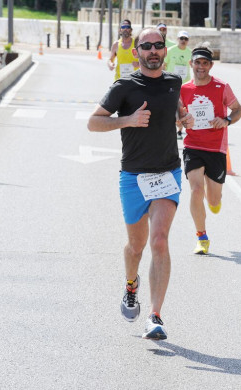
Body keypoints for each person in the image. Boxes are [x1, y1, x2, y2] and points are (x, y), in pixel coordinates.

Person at [88, 28, 194, 340]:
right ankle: (130, 284)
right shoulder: (124, 86)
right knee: (137, 245)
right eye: (146, 46)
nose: (153, 51)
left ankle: (155, 315)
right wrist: (126, 120)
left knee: (159, 240)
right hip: (133, 176)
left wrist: (183, 119)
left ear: (165, 50)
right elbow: (93, 122)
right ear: (136, 52)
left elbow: (177, 110)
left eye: (158, 46)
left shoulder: (174, 82)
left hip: (167, 174)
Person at [180, 45, 241, 255]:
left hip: (216, 148)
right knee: (196, 190)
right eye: (197, 62)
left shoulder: (221, 87)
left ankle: (214, 199)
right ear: (191, 64)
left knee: (214, 200)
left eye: (205, 63)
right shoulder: (184, 90)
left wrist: (225, 120)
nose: (201, 67)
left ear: (211, 65)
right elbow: (177, 119)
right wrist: (182, 121)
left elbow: (238, 111)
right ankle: (202, 237)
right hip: (193, 146)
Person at [164, 30, 192, 139]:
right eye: (181, 38)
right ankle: (173, 128)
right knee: (171, 108)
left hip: (185, 85)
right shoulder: (171, 51)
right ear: (178, 39)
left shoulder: (190, 53)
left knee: (183, 109)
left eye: (186, 39)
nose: (183, 41)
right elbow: (164, 65)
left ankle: (180, 131)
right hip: (172, 85)